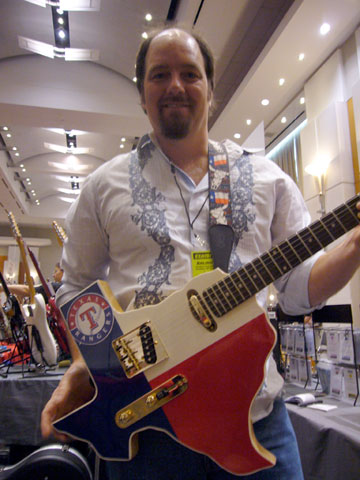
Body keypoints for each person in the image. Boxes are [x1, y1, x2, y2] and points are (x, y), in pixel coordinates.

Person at [40, 27, 360, 480]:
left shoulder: (267, 178)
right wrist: (83, 363)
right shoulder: (102, 186)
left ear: (211, 88)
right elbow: (76, 289)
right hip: (151, 431)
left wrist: (353, 245)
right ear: (142, 93)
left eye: (190, 73)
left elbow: (296, 291)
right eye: (160, 75)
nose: (175, 85)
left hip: (256, 418)